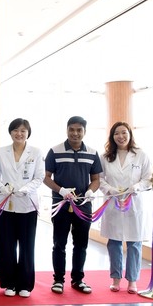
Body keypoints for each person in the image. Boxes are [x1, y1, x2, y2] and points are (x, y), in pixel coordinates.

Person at [44, 115, 102, 294]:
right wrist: (60, 190)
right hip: (60, 204)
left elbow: (96, 179)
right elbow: (45, 177)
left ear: (84, 132)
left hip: (83, 206)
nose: (75, 133)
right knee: (59, 243)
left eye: (79, 130)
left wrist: (91, 191)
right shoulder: (55, 151)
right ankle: (58, 280)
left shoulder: (92, 153)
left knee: (81, 244)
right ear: (67, 130)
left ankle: (78, 280)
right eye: (72, 129)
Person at [0, 118, 44, 298]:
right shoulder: (2, 151)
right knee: (7, 245)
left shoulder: (35, 152)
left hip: (28, 205)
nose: (19, 133)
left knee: (27, 246)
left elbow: (39, 178)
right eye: (15, 130)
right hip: (6, 205)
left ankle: (25, 284)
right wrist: (2, 188)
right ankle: (9, 283)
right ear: (10, 132)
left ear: (28, 132)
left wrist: (25, 189)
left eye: (23, 130)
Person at [99, 121, 153, 294]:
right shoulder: (106, 157)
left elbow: (148, 178)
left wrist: (135, 188)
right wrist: (110, 189)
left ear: (130, 134)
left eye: (124, 133)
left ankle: (132, 280)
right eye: (116, 133)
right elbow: (99, 179)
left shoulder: (141, 155)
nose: (120, 137)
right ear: (112, 137)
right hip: (113, 202)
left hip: (134, 203)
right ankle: (115, 278)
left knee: (134, 243)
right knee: (114, 242)